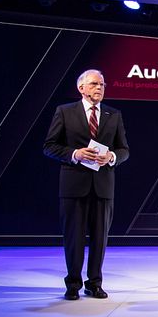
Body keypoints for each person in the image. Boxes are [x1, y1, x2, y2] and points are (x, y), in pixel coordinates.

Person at [43, 69, 129, 300]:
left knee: (100, 237)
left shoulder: (114, 114)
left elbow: (124, 150)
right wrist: (74, 153)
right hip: (73, 184)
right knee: (74, 236)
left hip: (103, 185)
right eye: (94, 84)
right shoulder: (65, 112)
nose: (99, 87)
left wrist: (111, 157)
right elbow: (49, 146)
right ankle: (73, 283)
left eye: (102, 84)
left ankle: (94, 283)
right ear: (81, 88)